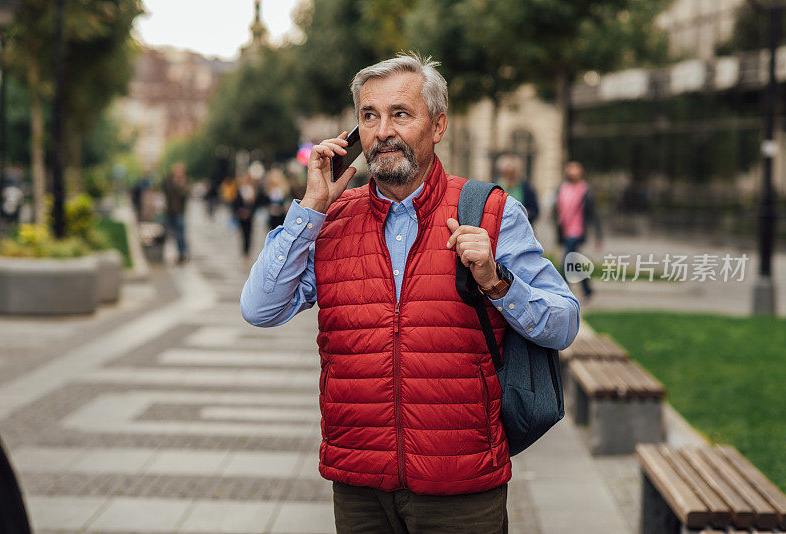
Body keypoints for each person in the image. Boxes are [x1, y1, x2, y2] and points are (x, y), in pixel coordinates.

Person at [241, 53, 579, 533]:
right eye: (369, 116)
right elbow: (259, 308)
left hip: (461, 485)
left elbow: (564, 322)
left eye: (400, 114)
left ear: (437, 126)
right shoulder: (330, 221)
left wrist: (496, 281)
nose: (382, 132)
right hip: (359, 484)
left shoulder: (490, 212)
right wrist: (313, 204)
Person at [553, 161, 603, 301]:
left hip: (577, 231)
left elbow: (594, 214)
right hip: (564, 229)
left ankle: (562, 292)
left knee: (567, 261)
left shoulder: (585, 190)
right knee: (576, 262)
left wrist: (598, 236)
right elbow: (557, 210)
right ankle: (587, 290)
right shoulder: (562, 188)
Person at [495, 153, 538, 225]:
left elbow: (534, 210)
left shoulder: (525, 187)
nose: (509, 175)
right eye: (506, 172)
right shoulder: (495, 187)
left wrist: (525, 213)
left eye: (512, 173)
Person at [162, 162, 190, 264]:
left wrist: (180, 184)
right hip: (169, 211)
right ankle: (176, 253)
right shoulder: (169, 181)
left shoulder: (184, 183)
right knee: (171, 234)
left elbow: (185, 195)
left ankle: (182, 254)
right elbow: (165, 190)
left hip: (179, 212)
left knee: (180, 234)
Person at [231, 173, 262, 257]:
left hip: (250, 216)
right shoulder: (240, 190)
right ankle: (244, 251)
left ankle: (247, 251)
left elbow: (256, 204)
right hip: (241, 216)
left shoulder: (254, 191)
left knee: (249, 234)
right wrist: (239, 212)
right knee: (243, 233)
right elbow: (235, 203)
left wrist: (249, 212)